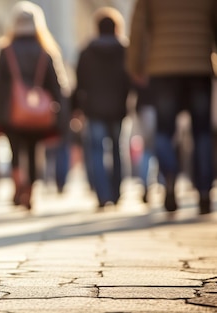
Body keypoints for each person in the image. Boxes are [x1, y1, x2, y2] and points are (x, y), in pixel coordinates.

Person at [127, 0, 216, 218]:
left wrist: (134, 66)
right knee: (202, 133)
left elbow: (138, 28)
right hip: (199, 65)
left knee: (164, 131)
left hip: (163, 68)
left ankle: (169, 179)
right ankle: (204, 192)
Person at [0, 1, 69, 211]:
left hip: (11, 111)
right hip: (38, 113)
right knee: (34, 151)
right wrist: (62, 115)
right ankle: (30, 191)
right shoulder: (46, 51)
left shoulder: (5, 51)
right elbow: (57, 85)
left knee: (15, 150)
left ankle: (17, 187)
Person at [73, 7, 130, 211]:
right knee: (117, 149)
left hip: (94, 109)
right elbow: (130, 80)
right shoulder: (125, 50)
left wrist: (76, 108)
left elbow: (79, 83)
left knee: (97, 151)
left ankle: (102, 194)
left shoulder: (87, 51)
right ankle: (116, 193)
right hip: (118, 107)